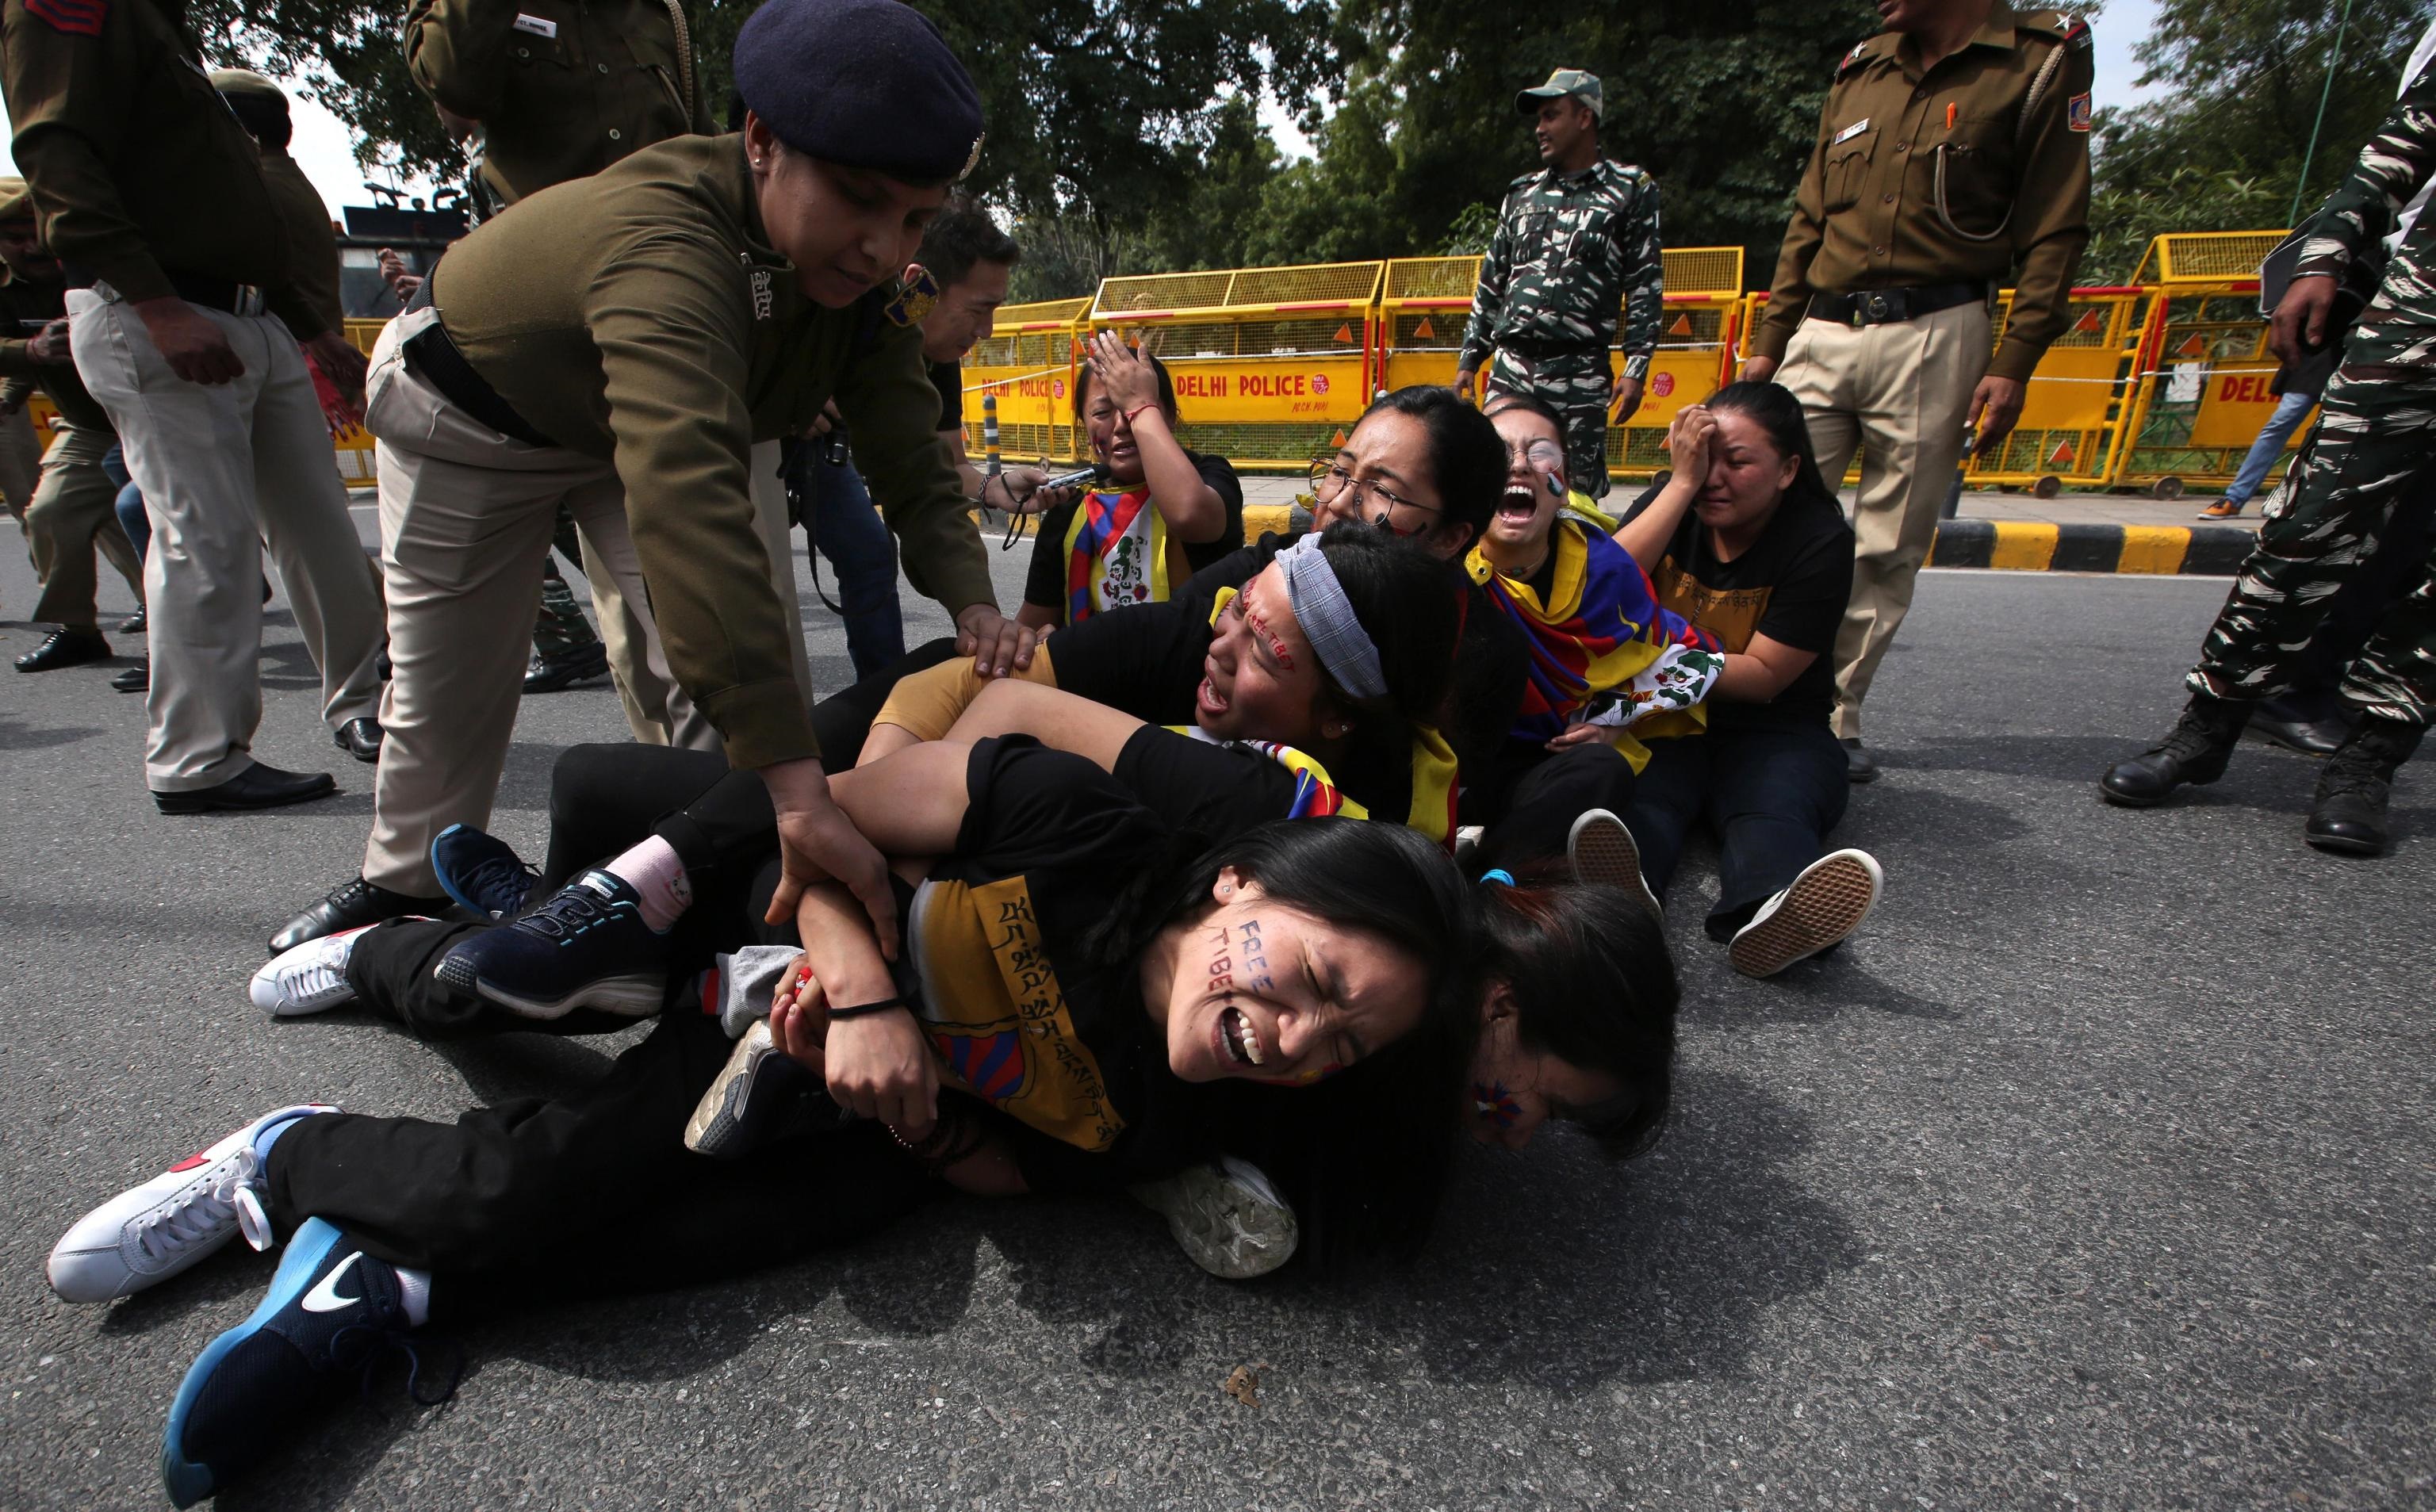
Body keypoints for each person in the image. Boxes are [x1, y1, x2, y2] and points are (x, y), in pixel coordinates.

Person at [56, 744, 1482, 1504]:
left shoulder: (1175, 1112)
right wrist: (857, 996)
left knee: (715, 1233)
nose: (1292, 1032)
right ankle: (286, 1137)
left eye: (1336, 1046)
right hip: (769, 962)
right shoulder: (1072, 822)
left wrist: (913, 1118)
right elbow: (822, 828)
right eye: (1309, 977)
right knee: (505, 1085)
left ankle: (389, 1279)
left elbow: (1006, 1173)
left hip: (838, 1100)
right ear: (1240, 885)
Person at [268, 0, 1035, 955]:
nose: (884, 245)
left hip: (627, 427)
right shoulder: (669, 239)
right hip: (471, 409)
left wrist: (971, 600)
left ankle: (705, 888)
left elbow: (909, 452)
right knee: (450, 691)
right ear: (760, 139)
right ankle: (404, 892)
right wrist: (801, 792)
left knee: (753, 692)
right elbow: (692, 503)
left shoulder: (868, 278)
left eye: (915, 217)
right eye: (857, 198)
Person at [4, 0, 391, 812]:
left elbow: (234, 210)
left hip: (253, 314)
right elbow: (54, 150)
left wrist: (312, 328)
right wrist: (153, 301)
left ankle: (362, 703)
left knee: (322, 531)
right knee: (202, 533)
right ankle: (198, 759)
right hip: (161, 307)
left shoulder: (159, 25)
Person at [1741, 0, 2095, 783]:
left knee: (1886, 539)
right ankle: (1738, 689)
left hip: (1941, 328)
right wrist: (1769, 345)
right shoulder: (1860, 69)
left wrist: (2016, 356)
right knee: (1758, 508)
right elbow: (1808, 218)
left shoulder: (2037, 61)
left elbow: (2055, 223)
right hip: (1825, 328)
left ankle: (1830, 711)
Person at [2100, 56, 2436, 857]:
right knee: (2310, 523)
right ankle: (2208, 724)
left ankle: (2368, 760)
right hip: (2422, 315)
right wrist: (2324, 255)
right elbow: (2396, 152)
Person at [1612, 382, 1885, 977]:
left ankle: (1776, 914)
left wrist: (1648, 661)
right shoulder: (1675, 498)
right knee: (1648, 800)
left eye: (1737, 461)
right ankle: (1618, 903)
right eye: (1704, 457)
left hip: (1774, 730)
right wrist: (1678, 486)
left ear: (1788, 469)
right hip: (1668, 716)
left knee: (1771, 809)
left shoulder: (1819, 538)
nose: (1715, 477)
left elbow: (1763, 676)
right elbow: (1602, 586)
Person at [1463, 395, 1721, 874]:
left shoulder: (1605, 571)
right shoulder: (1445, 556)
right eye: (1499, 453)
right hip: (1459, 757)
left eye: (1540, 452)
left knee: (1604, 771)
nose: (1519, 464)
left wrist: (1614, 718)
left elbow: (1677, 656)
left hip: (1545, 763)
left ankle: (1491, 879)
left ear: (1564, 485)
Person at [795, 197, 1025, 677]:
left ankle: (883, 696)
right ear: (918, 279)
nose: (986, 331)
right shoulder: (836, 290)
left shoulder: (937, 351)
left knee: (871, 554)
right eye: (980, 310)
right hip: (728, 443)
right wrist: (789, 393)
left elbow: (926, 473)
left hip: (823, 457)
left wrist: (975, 606)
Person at [1453, 68, 1663, 501]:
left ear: (1584, 118)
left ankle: (1583, 570)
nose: (1540, 128)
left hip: (1580, 372)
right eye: (1539, 118)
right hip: (1512, 368)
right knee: (1493, 482)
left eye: (1552, 115)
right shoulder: (1521, 194)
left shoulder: (1630, 190)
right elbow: (1492, 281)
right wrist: (1469, 359)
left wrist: (1637, 368)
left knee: (1576, 494)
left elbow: (1644, 285)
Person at [0, 178, 140, 673]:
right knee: (52, 514)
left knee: (280, 515)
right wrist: (28, 353)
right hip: (90, 425)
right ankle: (77, 630)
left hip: (155, 412)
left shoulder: (94, 261)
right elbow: (15, 353)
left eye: (34, 229)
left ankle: (369, 614)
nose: (30, 244)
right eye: (13, 236)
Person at [1014, 334, 1243, 627]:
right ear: (1084, 425)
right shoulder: (1070, 505)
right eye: (1102, 412)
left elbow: (1190, 515)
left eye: (1133, 407)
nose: (1123, 424)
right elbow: (1033, 621)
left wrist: (1140, 408)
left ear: (1169, 415)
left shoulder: (1208, 476)